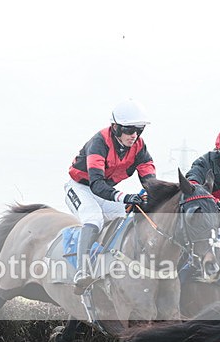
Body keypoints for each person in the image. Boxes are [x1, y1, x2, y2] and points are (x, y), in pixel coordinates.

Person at [64, 99, 155, 294]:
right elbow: (96, 183)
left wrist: (153, 195)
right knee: (94, 218)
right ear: (116, 127)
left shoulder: (139, 146)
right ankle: (82, 270)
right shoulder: (99, 142)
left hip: (103, 191)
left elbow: (149, 179)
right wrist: (124, 196)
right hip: (81, 187)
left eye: (139, 130)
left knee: (132, 212)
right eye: (130, 130)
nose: (134, 135)